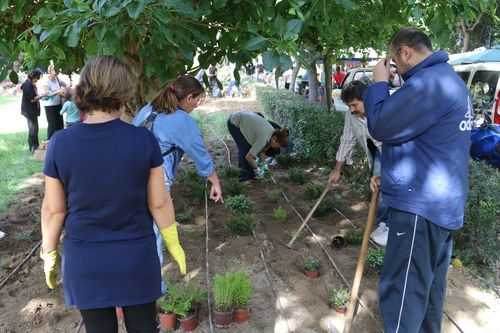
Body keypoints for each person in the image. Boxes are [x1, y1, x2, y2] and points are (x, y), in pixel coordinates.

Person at [40, 55, 186, 333]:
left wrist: (49, 253)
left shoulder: (60, 143)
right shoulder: (142, 140)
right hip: (135, 259)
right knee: (144, 327)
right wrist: (173, 242)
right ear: (124, 91)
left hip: (85, 262)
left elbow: (53, 210)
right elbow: (159, 201)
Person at [363, 27, 472, 333]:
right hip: (441, 207)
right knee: (428, 294)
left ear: (405, 52)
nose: (394, 68)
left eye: (394, 62)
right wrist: (392, 173)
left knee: (404, 296)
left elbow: (382, 125)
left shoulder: (428, 85)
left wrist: (379, 83)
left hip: (419, 210)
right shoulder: (450, 81)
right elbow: (426, 142)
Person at [132, 75, 223, 292]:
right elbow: (199, 153)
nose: (197, 105)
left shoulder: (148, 109)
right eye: (197, 101)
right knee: (154, 232)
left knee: (137, 230)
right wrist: (215, 182)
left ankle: (133, 281)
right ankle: (155, 288)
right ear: (188, 97)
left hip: (130, 174)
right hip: (156, 179)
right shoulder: (181, 119)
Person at [328, 80, 389, 246]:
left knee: (389, 185)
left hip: (394, 151)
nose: (351, 110)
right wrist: (337, 170)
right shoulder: (351, 115)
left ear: (366, 98)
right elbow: (347, 140)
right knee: (378, 184)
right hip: (377, 152)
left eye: (354, 105)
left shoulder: (383, 108)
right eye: (349, 106)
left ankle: (390, 227)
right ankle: (384, 224)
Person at [227, 110, 289, 181]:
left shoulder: (271, 136)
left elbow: (261, 152)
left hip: (243, 122)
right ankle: (243, 177)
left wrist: (264, 168)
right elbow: (248, 157)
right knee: (244, 149)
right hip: (235, 122)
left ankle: (250, 175)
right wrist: (259, 170)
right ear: (275, 138)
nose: (276, 148)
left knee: (249, 149)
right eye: (277, 146)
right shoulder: (264, 138)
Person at [20, 68, 46, 153]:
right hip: (29, 110)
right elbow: (32, 99)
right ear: (33, 76)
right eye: (37, 78)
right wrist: (43, 95)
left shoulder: (29, 84)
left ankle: (34, 147)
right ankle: (34, 147)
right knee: (33, 129)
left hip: (31, 110)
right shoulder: (28, 85)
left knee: (34, 129)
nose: (37, 80)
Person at [40, 61, 68, 139]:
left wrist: (67, 89)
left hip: (58, 104)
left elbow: (65, 85)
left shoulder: (57, 78)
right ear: (50, 71)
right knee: (52, 124)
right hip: (50, 105)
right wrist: (58, 91)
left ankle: (60, 140)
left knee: (60, 123)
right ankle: (50, 141)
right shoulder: (46, 80)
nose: (57, 71)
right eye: (55, 70)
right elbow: (47, 93)